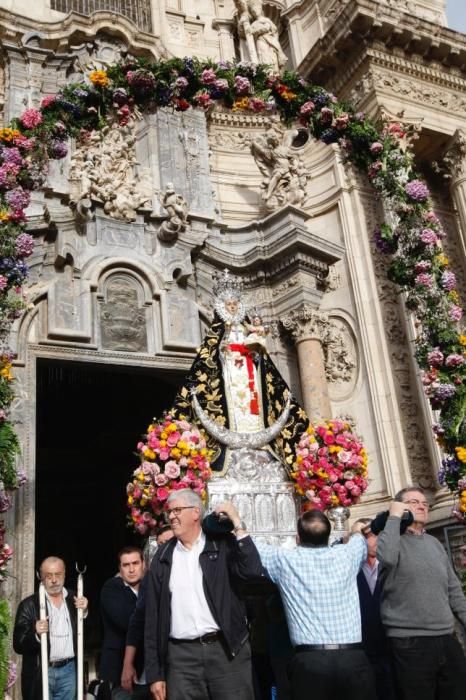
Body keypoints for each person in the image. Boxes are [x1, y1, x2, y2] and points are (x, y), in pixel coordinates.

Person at [215, 502, 377, 700]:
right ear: (328, 536)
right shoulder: (348, 555)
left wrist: (235, 519)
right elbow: (359, 534)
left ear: (298, 538)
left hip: (310, 663)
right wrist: (356, 531)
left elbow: (249, 545)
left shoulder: (285, 560)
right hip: (354, 659)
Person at [144, 488, 264, 700]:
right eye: (169, 512)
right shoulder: (162, 558)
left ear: (196, 513)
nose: (171, 516)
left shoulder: (222, 544)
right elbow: (152, 618)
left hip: (227, 652)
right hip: (181, 660)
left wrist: (237, 523)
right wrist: (155, 674)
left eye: (177, 510)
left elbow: (252, 572)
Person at [377, 485, 466, 700]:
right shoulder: (391, 540)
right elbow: (387, 557)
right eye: (413, 502)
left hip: (446, 638)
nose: (422, 506)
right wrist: (394, 517)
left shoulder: (434, 543)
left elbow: (453, 589)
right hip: (410, 642)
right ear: (399, 508)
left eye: (424, 503)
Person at [13, 555, 88, 700]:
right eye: (48, 576)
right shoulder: (29, 605)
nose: (54, 580)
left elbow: (85, 635)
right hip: (41, 671)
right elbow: (18, 645)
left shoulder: (75, 599)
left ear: (65, 575)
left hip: (69, 670)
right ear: (41, 577)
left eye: (58, 574)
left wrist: (84, 612)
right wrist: (35, 633)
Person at [120, 527, 174, 694]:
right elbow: (138, 622)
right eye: (160, 544)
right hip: (164, 658)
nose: (164, 549)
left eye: (169, 543)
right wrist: (128, 664)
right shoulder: (150, 579)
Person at [100, 546, 148, 699]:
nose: (131, 569)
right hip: (122, 670)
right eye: (126, 565)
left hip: (151, 670)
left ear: (144, 564)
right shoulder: (111, 588)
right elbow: (128, 621)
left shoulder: (150, 586)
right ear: (120, 569)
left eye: (135, 563)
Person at [354, 518, 394, 700]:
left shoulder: (391, 565)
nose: (375, 540)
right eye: (367, 536)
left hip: (391, 650)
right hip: (362, 653)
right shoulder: (349, 570)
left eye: (377, 534)